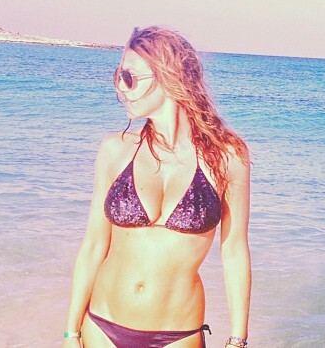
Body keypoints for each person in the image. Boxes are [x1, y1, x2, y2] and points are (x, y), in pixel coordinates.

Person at [63, 26, 251, 348]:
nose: (120, 87)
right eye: (118, 76)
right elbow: (93, 244)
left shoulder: (228, 156)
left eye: (129, 77)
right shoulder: (115, 149)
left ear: (168, 76)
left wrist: (237, 340)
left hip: (177, 335)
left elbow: (234, 250)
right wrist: (71, 331)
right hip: (102, 326)